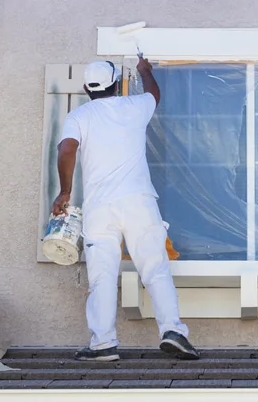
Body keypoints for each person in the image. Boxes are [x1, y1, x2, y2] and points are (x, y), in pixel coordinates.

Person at [52, 57, 199, 361]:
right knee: (155, 269)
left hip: (100, 209)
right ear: (117, 84)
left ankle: (103, 343)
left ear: (85, 89)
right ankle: (173, 331)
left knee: (102, 276)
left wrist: (64, 192)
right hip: (138, 203)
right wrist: (145, 71)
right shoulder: (134, 107)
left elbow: (66, 149)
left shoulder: (78, 116)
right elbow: (154, 94)